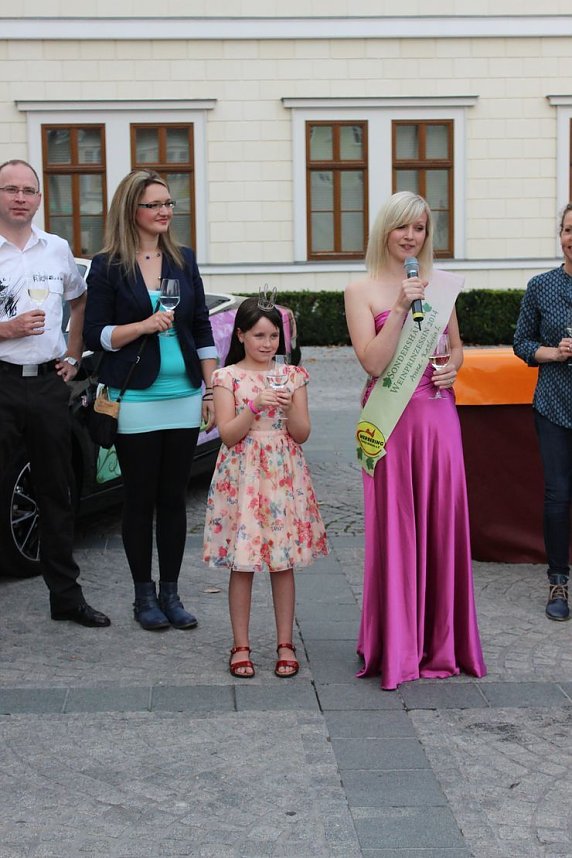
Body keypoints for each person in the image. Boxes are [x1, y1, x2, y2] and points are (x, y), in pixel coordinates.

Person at [344, 191, 486, 690]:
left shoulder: (439, 287)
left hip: (438, 417)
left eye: (420, 228)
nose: (411, 236)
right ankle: (398, 643)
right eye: (402, 227)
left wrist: (454, 367)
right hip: (390, 423)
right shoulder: (359, 290)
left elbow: (457, 345)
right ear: (384, 230)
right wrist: (401, 307)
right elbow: (373, 362)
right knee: (398, 528)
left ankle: (441, 643)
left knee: (443, 523)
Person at [83, 169, 217, 631]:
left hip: (182, 396)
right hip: (135, 398)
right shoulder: (108, 265)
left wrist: (212, 388)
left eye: (168, 203)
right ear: (131, 210)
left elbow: (199, 325)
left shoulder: (183, 259)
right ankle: (143, 597)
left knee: (173, 499)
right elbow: (96, 334)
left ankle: (171, 593)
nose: (164, 211)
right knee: (139, 499)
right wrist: (142, 326)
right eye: (154, 204)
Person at [0, 158, 110, 627]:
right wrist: (6, 329)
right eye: (10, 189)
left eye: (28, 190)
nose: (20, 197)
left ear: (40, 198)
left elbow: (79, 297)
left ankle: (65, 597)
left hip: (47, 384)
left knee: (56, 493)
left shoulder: (57, 248)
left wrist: (72, 350)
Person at [203, 296, 328, 678]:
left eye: (274, 335)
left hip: (281, 474)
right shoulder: (226, 378)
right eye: (258, 335)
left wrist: (288, 407)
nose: (267, 343)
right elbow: (227, 435)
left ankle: (285, 642)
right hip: (243, 477)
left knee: (282, 561)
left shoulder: (293, 376)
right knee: (242, 564)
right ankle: (240, 644)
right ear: (240, 335)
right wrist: (255, 406)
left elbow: (303, 434)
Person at [513, 203, 572, 622]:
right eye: (568, 229)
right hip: (554, 403)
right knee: (557, 495)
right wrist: (551, 353)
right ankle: (558, 581)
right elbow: (520, 342)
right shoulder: (540, 286)